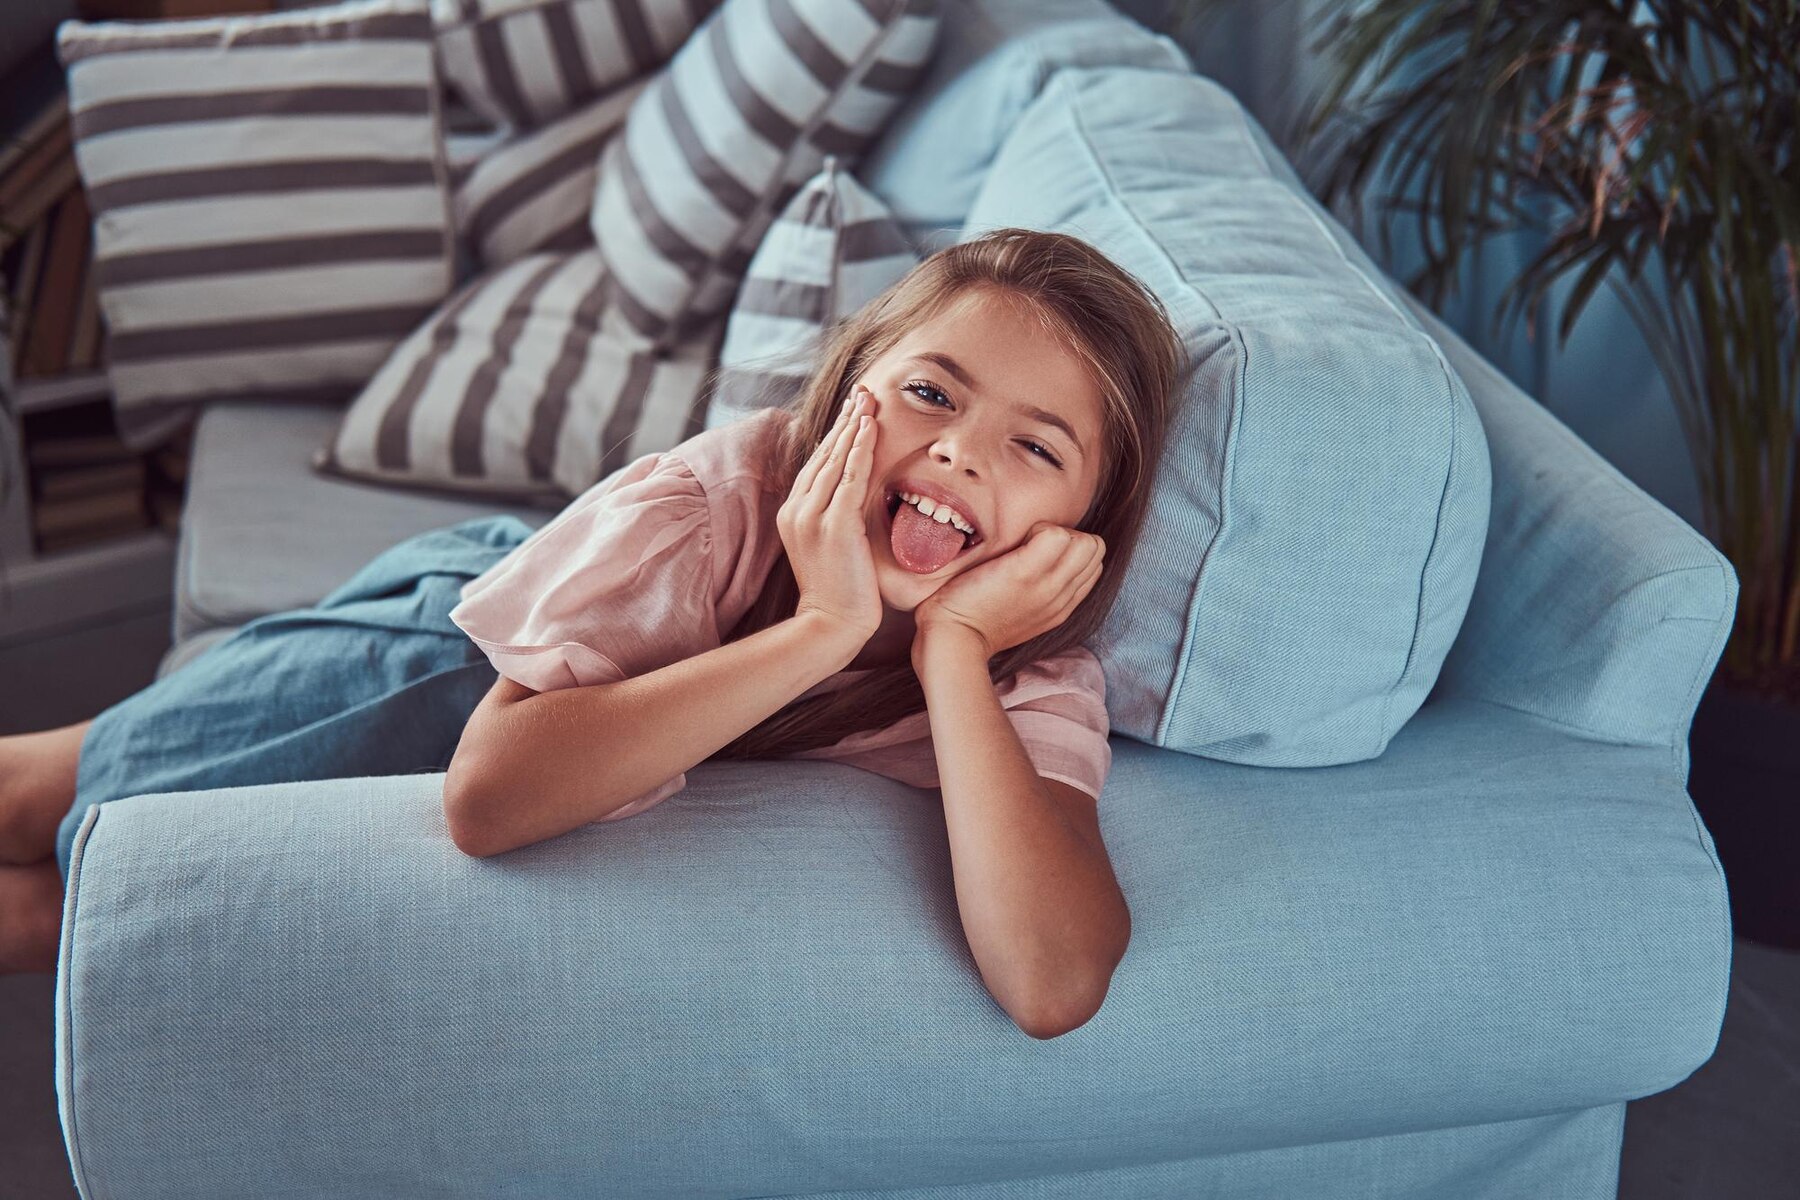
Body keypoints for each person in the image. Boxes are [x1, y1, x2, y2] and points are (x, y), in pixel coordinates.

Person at [0, 227, 1183, 1032]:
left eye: (1037, 447)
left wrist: (953, 656)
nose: (962, 450)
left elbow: (1051, 981)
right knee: (49, 800)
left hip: (592, 708)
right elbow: (489, 798)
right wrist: (828, 624)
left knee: (92, 915)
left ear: (1086, 523)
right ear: (850, 387)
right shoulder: (713, 498)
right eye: (932, 390)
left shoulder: (1023, 665)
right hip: (446, 661)